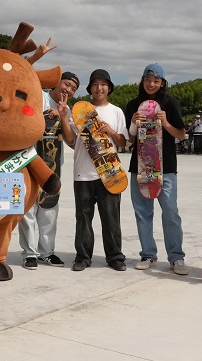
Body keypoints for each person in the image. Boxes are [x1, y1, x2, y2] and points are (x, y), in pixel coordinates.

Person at [58, 69, 128, 272]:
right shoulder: (79, 110)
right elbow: (70, 138)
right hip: (82, 173)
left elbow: (123, 143)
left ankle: (115, 256)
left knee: (111, 218)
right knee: (83, 218)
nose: (100, 88)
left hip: (110, 173)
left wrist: (111, 131)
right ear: (90, 88)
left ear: (109, 88)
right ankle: (82, 257)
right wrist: (64, 116)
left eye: (104, 84)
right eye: (96, 84)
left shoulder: (116, 111)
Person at [124, 64, 189, 275]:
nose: (151, 84)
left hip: (166, 167)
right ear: (142, 80)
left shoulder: (170, 103)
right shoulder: (133, 104)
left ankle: (176, 257)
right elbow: (129, 140)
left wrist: (166, 122)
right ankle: (148, 253)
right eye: (148, 80)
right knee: (143, 212)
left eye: (156, 81)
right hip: (140, 166)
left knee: (170, 212)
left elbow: (181, 134)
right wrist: (134, 123)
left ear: (162, 83)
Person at [18, 71, 79, 270]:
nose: (68, 90)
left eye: (73, 89)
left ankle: (47, 252)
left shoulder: (66, 109)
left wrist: (62, 115)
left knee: (49, 209)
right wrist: (46, 115)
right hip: (29, 161)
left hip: (52, 164)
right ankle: (30, 253)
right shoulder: (38, 95)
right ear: (57, 82)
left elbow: (70, 140)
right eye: (67, 84)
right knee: (27, 208)